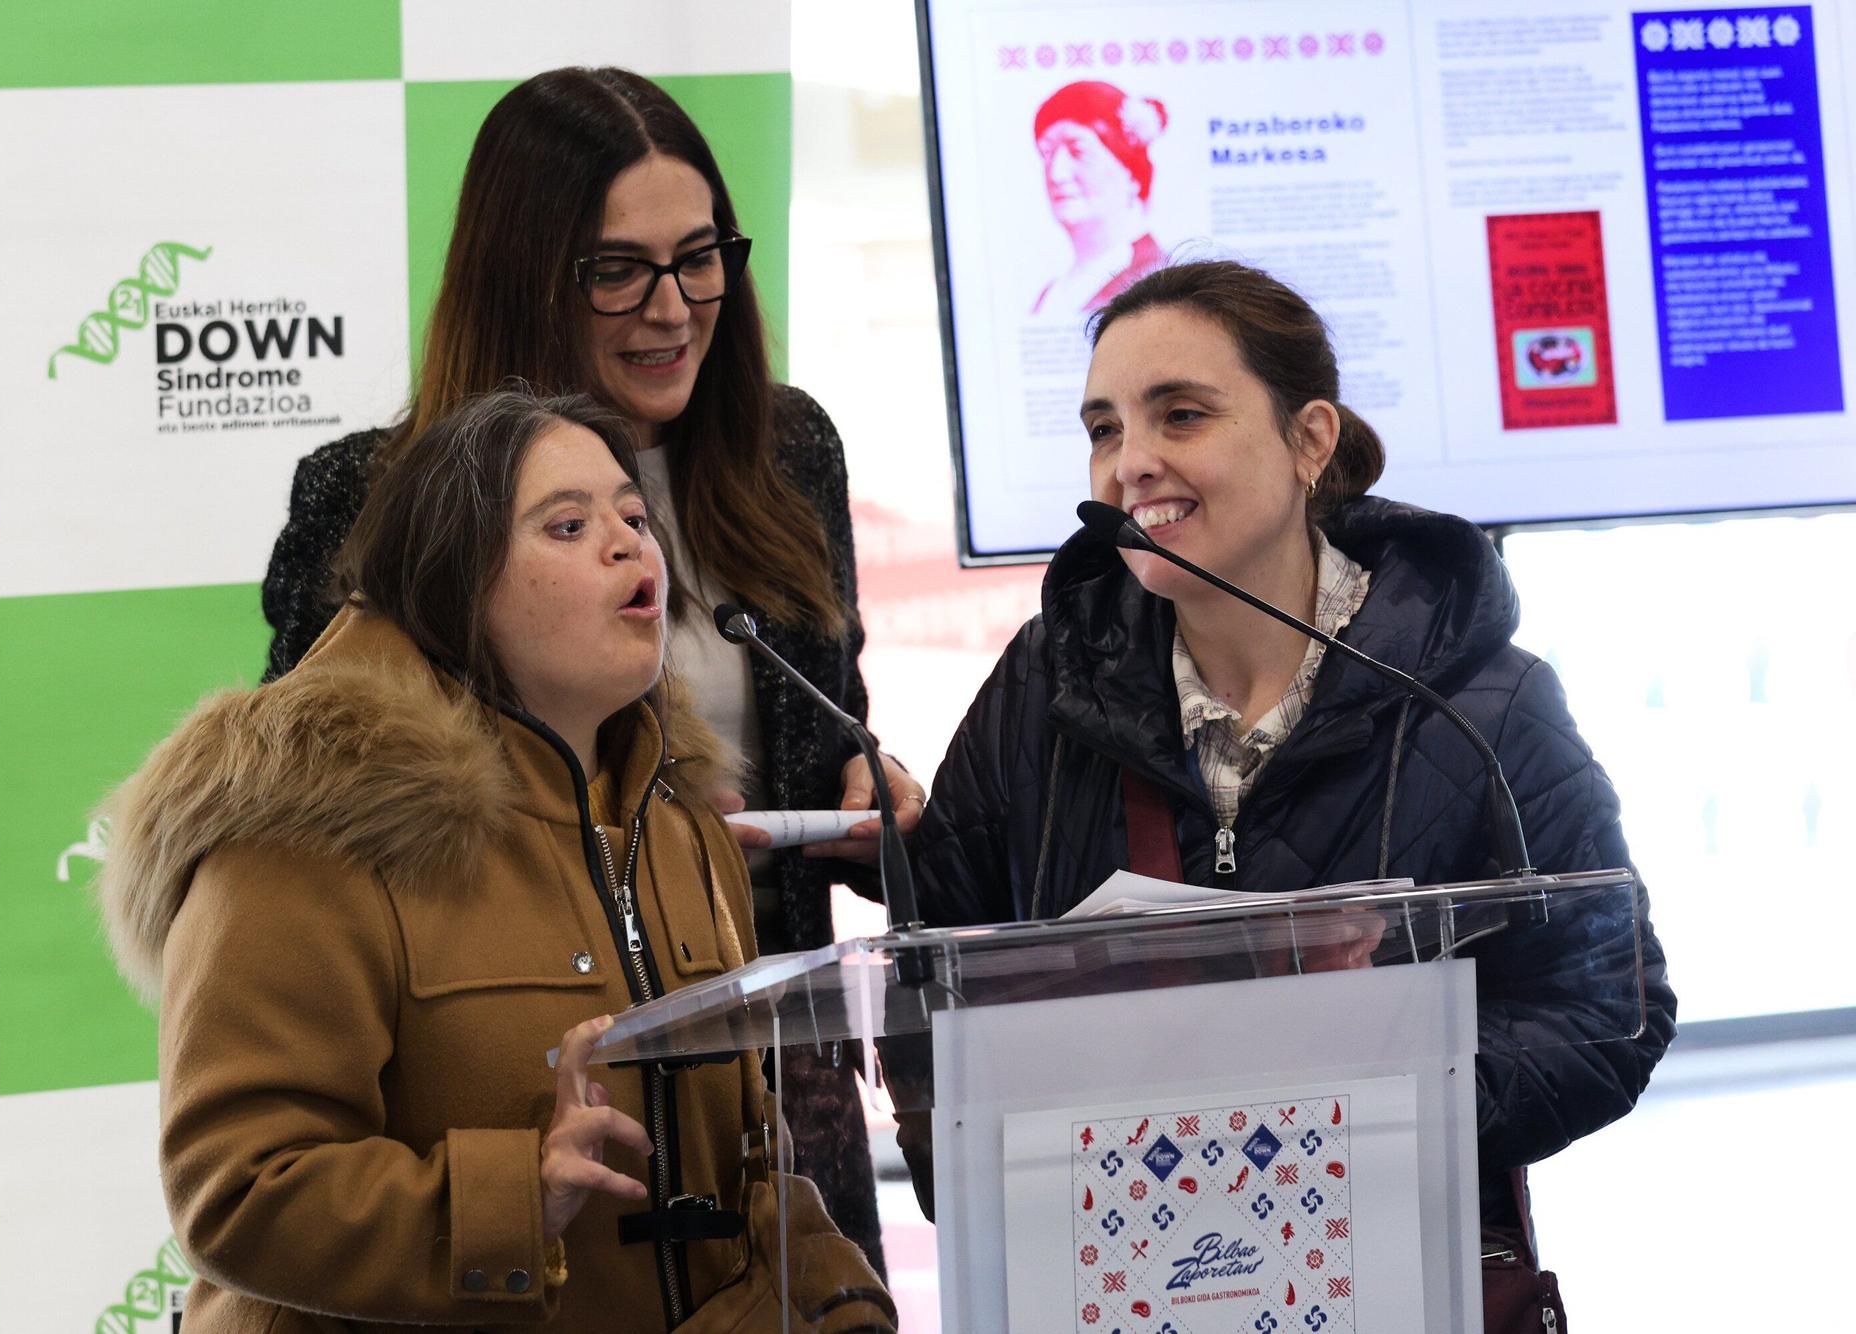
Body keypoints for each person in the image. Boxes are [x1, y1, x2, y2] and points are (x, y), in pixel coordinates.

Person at [257, 67, 919, 1270]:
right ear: (521, 275)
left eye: (701, 254)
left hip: (778, 1080)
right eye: (618, 269)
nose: (673, 307)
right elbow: (321, 827)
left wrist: (865, 797)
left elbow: (826, 727)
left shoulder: (786, 448)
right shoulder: (369, 498)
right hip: (528, 1085)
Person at [910, 260, 1676, 1244]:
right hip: (1111, 1266)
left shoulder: (1482, 703)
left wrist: (1372, 1104)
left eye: (1179, 415)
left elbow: (1605, 1009)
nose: (1127, 461)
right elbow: (927, 994)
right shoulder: (1036, 688)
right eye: (1102, 428)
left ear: (1308, 438)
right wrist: (992, 1187)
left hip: (1391, 1261)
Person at [99, 390, 896, 1332]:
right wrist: (520, 1197)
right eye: (568, 525)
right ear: (456, 584)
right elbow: (237, 1191)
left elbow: (749, 1167)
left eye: (634, 518)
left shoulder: (679, 822)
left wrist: (838, 1300)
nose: (629, 545)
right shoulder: (309, 826)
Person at [1030, 80, 1170, 317]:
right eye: (1047, 153)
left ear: (1130, 171)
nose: (1056, 173)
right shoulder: (1050, 292)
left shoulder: (1157, 280)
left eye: (1078, 151)